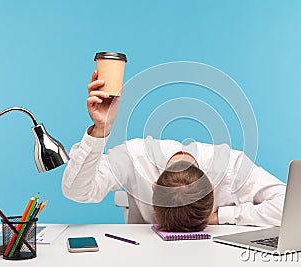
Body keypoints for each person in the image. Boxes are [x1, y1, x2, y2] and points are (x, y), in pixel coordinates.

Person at [62, 70, 286, 231]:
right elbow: (76, 191)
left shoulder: (231, 165)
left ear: (213, 187)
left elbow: (289, 203)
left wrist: (221, 217)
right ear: (152, 186)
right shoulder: (133, 156)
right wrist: (100, 130)